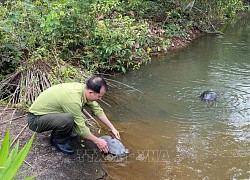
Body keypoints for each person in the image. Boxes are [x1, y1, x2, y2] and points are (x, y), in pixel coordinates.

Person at [27, 76, 120, 155]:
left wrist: (112, 128)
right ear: (91, 93)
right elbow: (80, 126)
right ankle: (58, 141)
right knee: (68, 119)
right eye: (99, 96)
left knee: (71, 119)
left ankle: (66, 131)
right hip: (36, 120)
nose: (100, 98)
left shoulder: (83, 89)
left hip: (49, 115)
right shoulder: (73, 99)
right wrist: (97, 141)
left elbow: (97, 110)